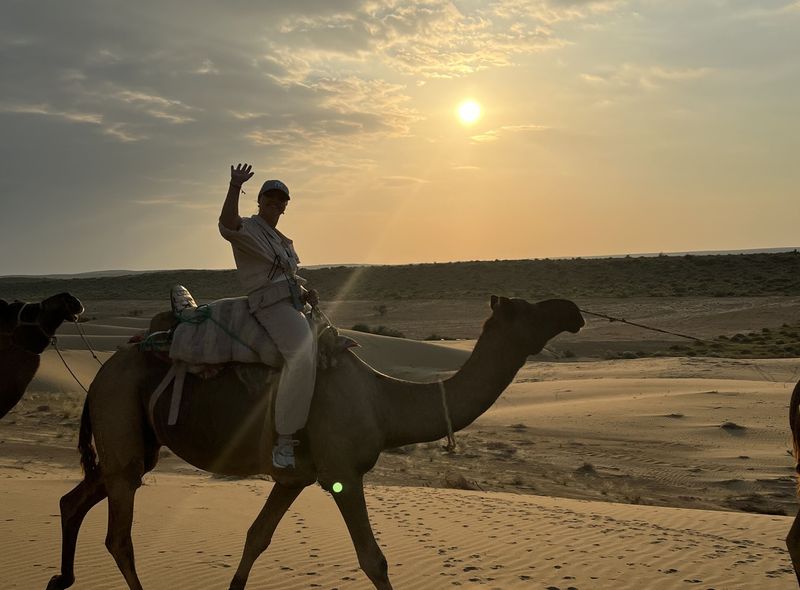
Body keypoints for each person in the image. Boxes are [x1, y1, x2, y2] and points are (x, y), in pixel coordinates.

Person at [219, 162, 318, 469]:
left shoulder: (282, 242)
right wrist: (235, 185)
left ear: (285, 207)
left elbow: (287, 276)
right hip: (271, 306)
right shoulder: (248, 229)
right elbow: (227, 223)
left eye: (280, 201)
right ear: (259, 201)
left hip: (292, 304)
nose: (274, 203)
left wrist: (304, 292)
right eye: (269, 198)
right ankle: (285, 440)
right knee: (301, 357)